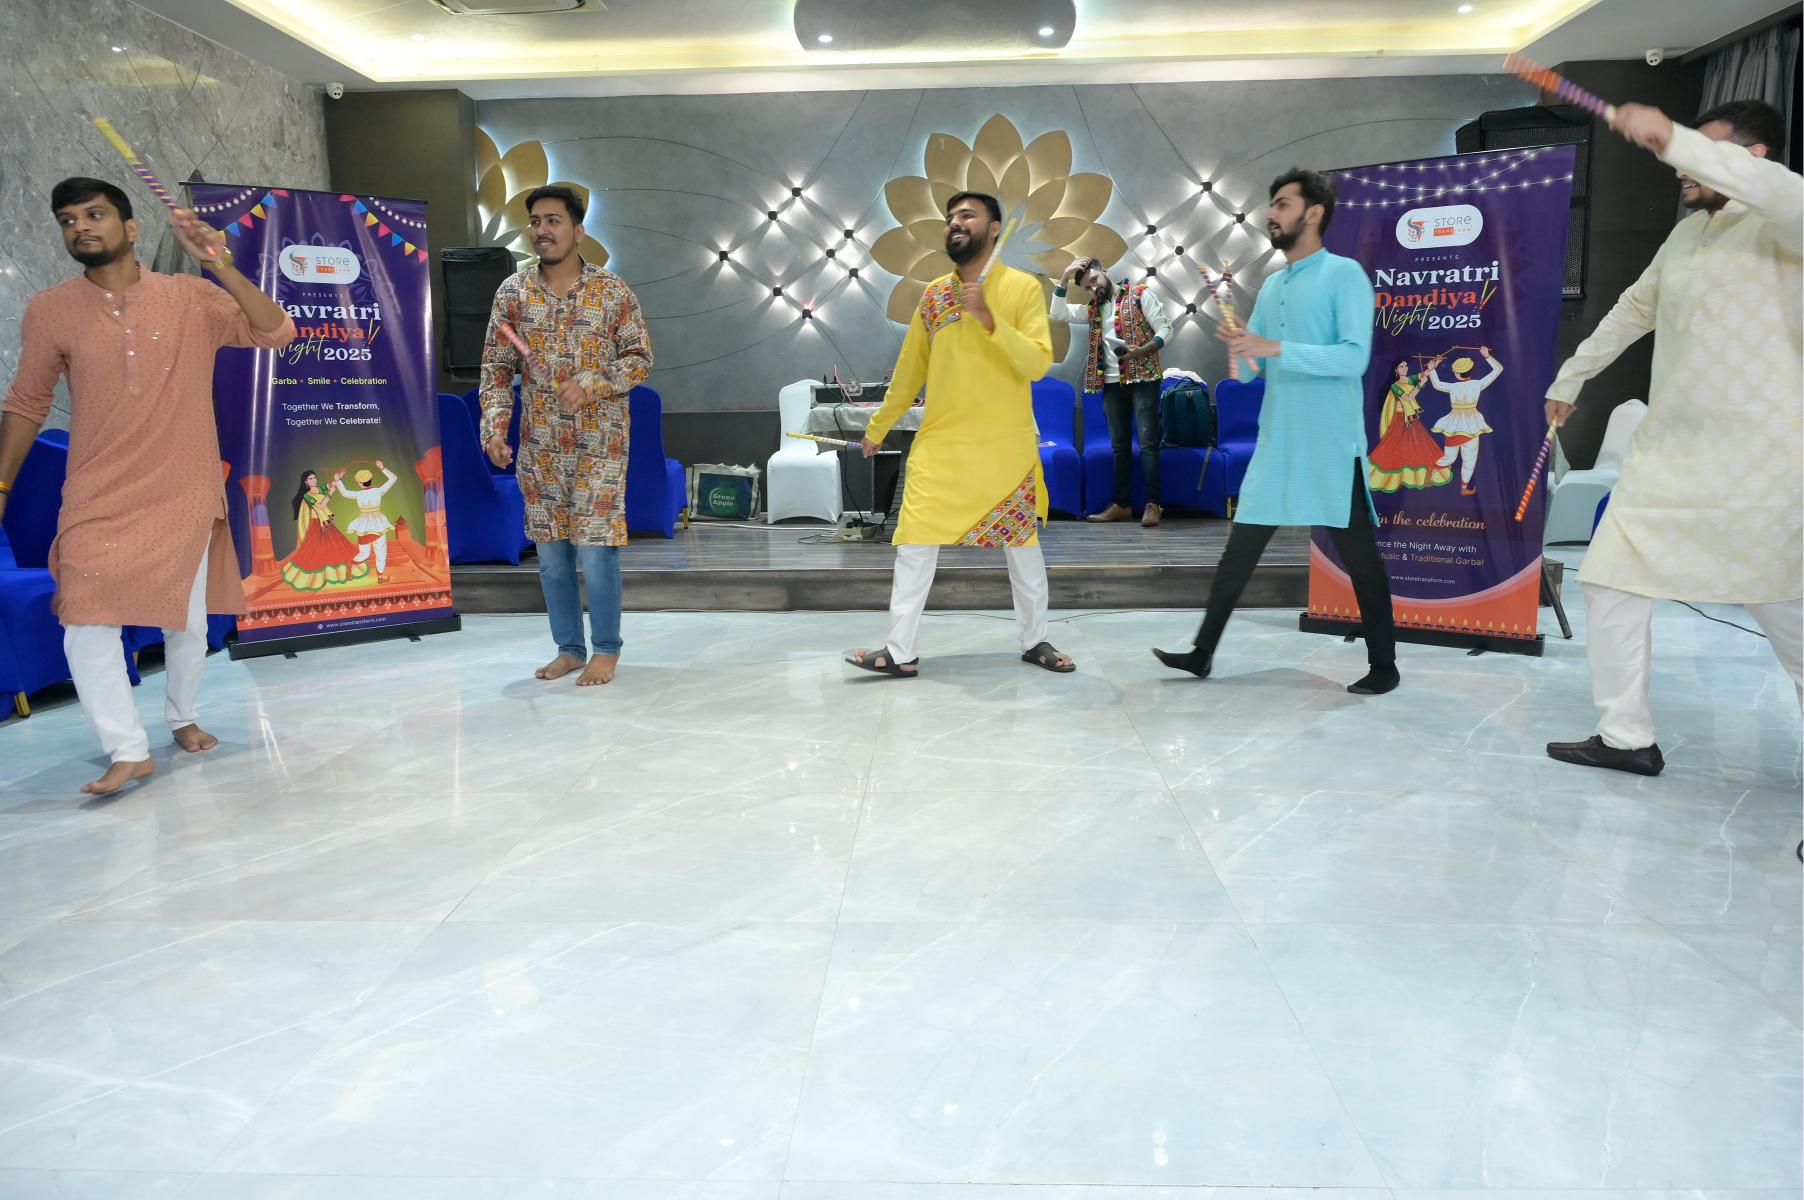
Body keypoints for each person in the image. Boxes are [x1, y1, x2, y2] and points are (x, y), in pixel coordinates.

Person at [0, 177, 295, 794]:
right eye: (68, 219)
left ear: (130, 229)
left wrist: (219, 263)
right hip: (96, 489)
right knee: (83, 615)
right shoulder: (50, 309)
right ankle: (127, 748)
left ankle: (181, 716)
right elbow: (27, 401)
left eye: (95, 214)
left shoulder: (191, 297)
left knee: (186, 623)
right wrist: (2, 481)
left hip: (183, 482)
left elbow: (276, 331)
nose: (81, 226)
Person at [1542, 99, 1801, 776]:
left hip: (1765, 463)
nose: (1680, 169)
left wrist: (1669, 135)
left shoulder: (1789, 214)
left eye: (1698, 155)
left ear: (1752, 158)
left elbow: (1776, 189)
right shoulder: (1685, 237)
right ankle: (1626, 737)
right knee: (1610, 580)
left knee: (1786, 611)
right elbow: (1633, 309)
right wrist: (1572, 376)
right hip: (1670, 456)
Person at [1152, 168, 1398, 696]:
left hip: (1331, 445)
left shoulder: (1345, 275)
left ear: (1314, 213)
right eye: (1272, 204)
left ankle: (1385, 666)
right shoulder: (1272, 285)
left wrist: (1273, 347)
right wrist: (1239, 346)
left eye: (1283, 203)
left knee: (1360, 559)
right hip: (1278, 443)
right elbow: (1250, 373)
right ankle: (1201, 653)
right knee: (1239, 551)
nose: (1271, 213)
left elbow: (1353, 359)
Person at [846, 191, 1074, 677]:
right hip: (941, 445)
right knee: (914, 543)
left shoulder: (1021, 289)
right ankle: (899, 651)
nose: (955, 222)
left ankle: (1035, 640)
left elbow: (1037, 363)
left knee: (1022, 548)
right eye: (951, 217)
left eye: (967, 215)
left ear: (994, 228)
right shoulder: (933, 295)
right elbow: (909, 372)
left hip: (1004, 450)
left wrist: (991, 321)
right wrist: (877, 428)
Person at [480, 184, 651, 687]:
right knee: (553, 560)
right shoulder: (512, 294)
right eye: (535, 221)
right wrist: (494, 428)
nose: (542, 230)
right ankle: (569, 648)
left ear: (578, 231)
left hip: (601, 446)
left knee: (596, 551)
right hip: (540, 449)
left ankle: (606, 648)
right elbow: (496, 368)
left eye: (553, 221)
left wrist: (592, 383)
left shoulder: (612, 292)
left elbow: (639, 358)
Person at [1050, 256, 1174, 526]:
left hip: (1143, 379)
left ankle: (1153, 505)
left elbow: (1166, 329)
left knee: (1148, 443)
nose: (1093, 288)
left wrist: (1143, 350)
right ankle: (1121, 504)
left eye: (1094, 280)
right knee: (1119, 447)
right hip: (1111, 384)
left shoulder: (1139, 295)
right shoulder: (1093, 309)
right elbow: (1058, 314)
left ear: (1104, 271)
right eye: (1087, 287)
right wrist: (1064, 277)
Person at [1367, 356, 1453, 492]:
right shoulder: (1395, 386)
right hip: (1400, 419)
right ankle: (1396, 480)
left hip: (1411, 418)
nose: (1405, 368)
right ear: (1396, 370)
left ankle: (1418, 476)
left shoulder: (1409, 379)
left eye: (1406, 365)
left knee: (1417, 447)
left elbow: (1423, 374)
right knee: (1395, 449)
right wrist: (1420, 385)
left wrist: (1433, 365)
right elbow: (1408, 398)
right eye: (1401, 366)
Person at [1427, 348, 1504, 496]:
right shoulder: (1477, 384)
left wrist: (1432, 369)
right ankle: (1463, 487)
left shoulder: (1453, 386)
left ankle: (1431, 472)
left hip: (1453, 425)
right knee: (1469, 458)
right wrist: (1487, 356)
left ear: (1457, 373)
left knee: (1449, 457)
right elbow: (1498, 369)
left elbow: (1436, 384)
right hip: (1472, 424)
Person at [283, 468, 365, 591]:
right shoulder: (307, 495)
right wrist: (330, 493)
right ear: (306, 482)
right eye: (310, 478)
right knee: (316, 551)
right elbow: (321, 506)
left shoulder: (320, 489)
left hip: (325, 523)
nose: (313, 480)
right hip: (316, 524)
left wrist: (339, 476)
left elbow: (332, 484)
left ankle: (342, 572)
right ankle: (318, 579)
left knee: (336, 547)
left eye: (314, 477)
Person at [331, 463, 397, 583]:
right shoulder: (378, 491)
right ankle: (380, 576)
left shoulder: (359, 494)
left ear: (360, 483)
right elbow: (393, 478)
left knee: (364, 553)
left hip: (363, 526)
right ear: (370, 480)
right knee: (381, 552)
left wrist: (338, 480)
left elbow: (344, 493)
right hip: (378, 524)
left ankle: (351, 564)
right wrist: (382, 468)